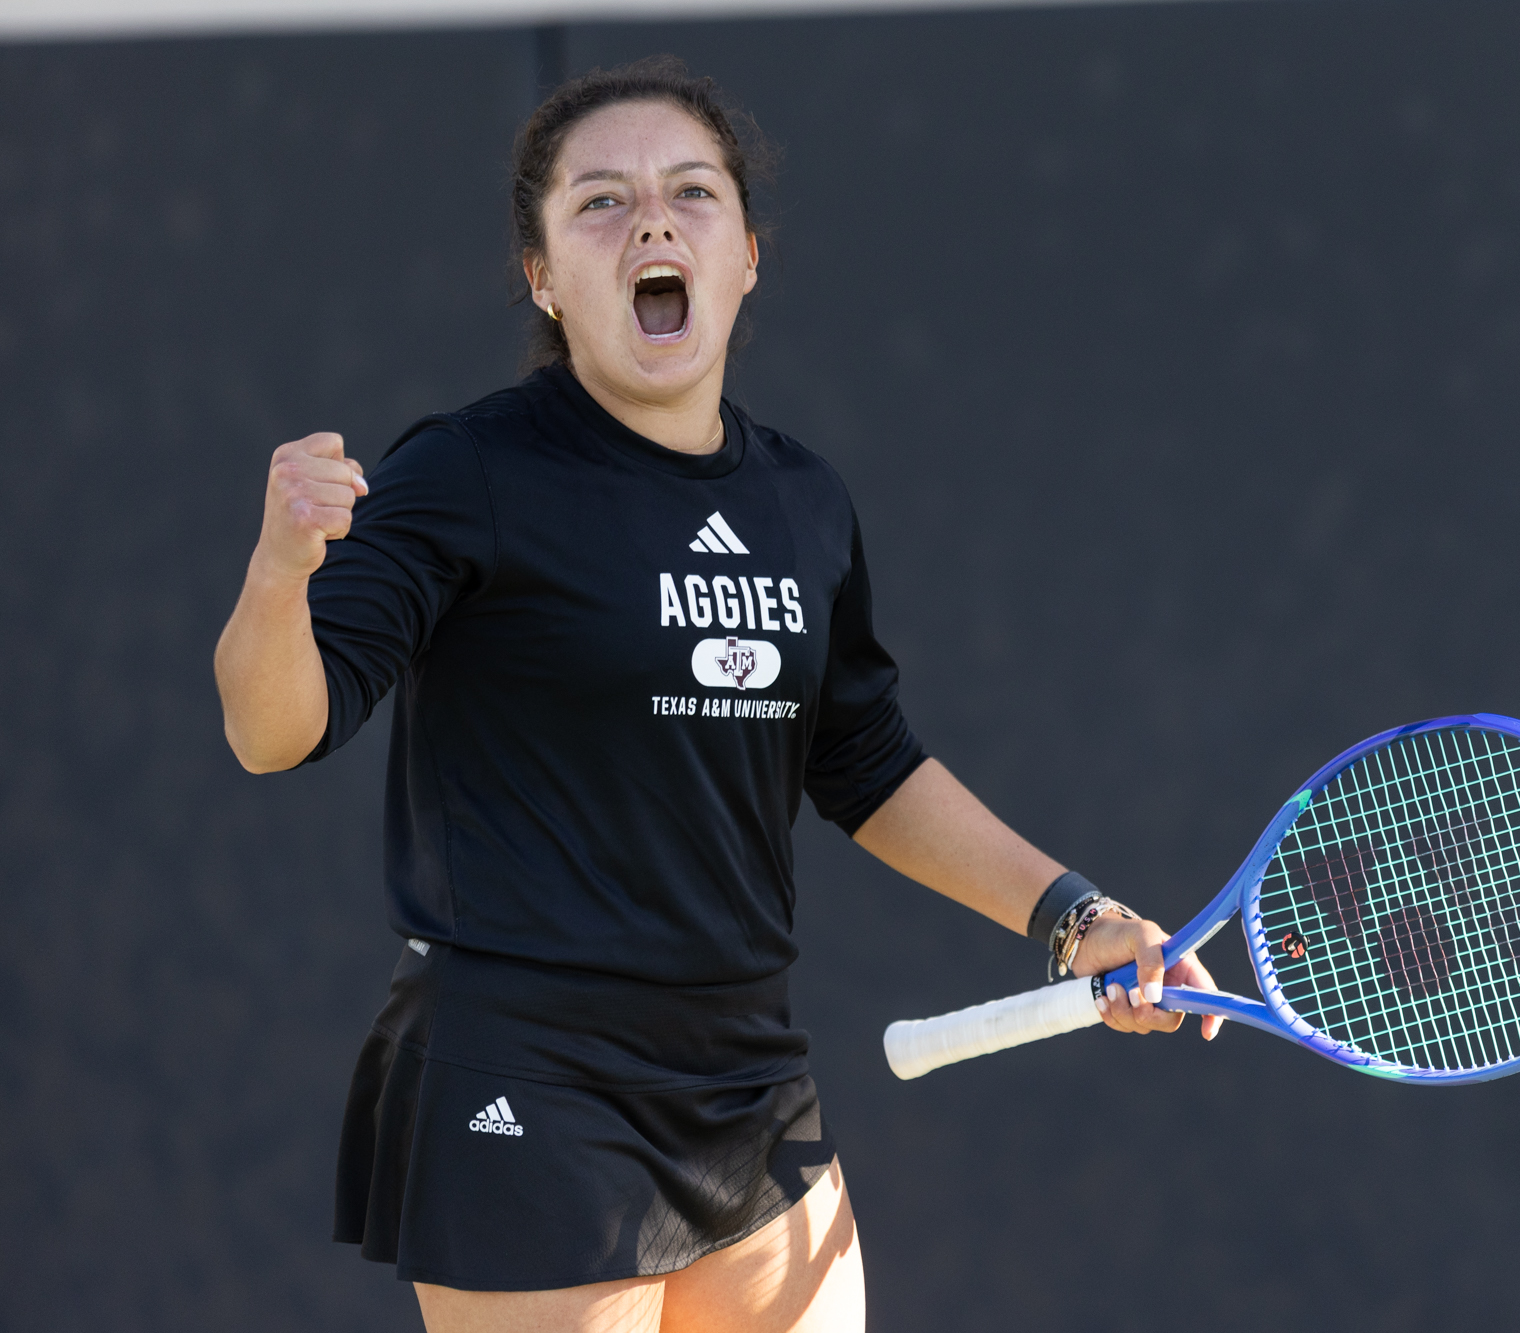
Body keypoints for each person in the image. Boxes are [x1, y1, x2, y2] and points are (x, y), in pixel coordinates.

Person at [213, 55, 1220, 1333]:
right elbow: (272, 728)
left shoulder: (802, 503)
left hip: (744, 1083)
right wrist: (276, 573)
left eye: (692, 192)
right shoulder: (467, 472)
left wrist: (1078, 918)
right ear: (541, 277)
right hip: (525, 1071)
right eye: (598, 202)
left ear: (744, 255)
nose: (651, 219)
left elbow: (865, 763)